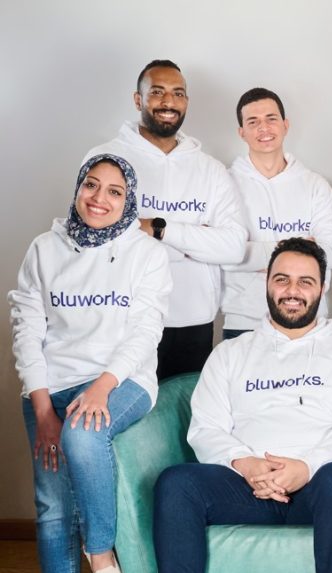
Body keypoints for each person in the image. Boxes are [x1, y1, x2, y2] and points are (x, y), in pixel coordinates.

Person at [153, 238, 332, 573]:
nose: (292, 291)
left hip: (322, 486)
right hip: (249, 486)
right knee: (176, 483)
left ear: (323, 288)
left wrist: (306, 467)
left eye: (305, 281)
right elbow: (206, 427)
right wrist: (246, 464)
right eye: (282, 279)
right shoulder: (230, 353)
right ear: (266, 282)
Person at [9, 154, 170, 573]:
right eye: (92, 186)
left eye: (115, 192)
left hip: (124, 380)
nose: (100, 199)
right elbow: (27, 329)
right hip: (51, 386)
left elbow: (146, 331)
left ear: (130, 201)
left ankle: (100, 556)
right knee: (53, 508)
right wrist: (42, 408)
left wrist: (102, 386)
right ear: (78, 188)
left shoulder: (146, 253)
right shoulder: (44, 248)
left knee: (82, 433)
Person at [85, 59, 246, 379]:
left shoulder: (211, 170)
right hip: (121, 320)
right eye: (157, 92)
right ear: (138, 99)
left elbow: (233, 247)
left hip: (194, 324)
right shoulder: (104, 160)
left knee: (183, 410)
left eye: (178, 93)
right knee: (122, 411)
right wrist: (196, 242)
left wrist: (157, 229)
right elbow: (97, 241)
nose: (169, 101)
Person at [221, 87, 332, 339]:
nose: (263, 128)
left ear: (285, 125)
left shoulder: (315, 185)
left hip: (310, 321)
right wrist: (304, 249)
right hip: (244, 320)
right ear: (241, 132)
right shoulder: (224, 184)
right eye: (253, 122)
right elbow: (227, 255)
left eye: (271, 119)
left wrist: (256, 252)